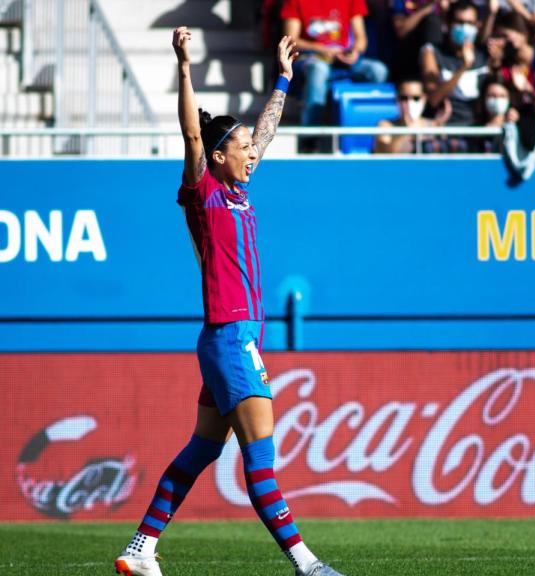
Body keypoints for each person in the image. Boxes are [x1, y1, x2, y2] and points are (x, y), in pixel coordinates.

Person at [114, 28, 343, 576]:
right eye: (241, 150)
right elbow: (192, 136)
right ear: (217, 157)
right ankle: (307, 565)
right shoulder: (205, 191)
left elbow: (264, 131)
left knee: (203, 450)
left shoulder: (237, 189)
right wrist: (185, 63)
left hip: (229, 340)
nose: (252, 154)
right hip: (232, 335)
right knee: (260, 460)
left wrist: (284, 79)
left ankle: (141, 549)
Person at [282, 0, 389, 128]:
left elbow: (361, 39)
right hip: (311, 57)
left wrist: (354, 52)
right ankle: (309, 138)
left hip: (343, 59)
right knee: (319, 70)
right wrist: (322, 49)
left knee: (378, 70)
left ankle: (369, 129)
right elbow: (291, 40)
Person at [421, 0, 491, 126]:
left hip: (477, 129)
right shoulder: (432, 52)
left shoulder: (484, 55)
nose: (465, 28)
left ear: (477, 26)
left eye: (470, 23)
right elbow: (433, 99)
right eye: (459, 22)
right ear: (448, 24)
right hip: (445, 128)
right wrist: (463, 68)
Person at [374, 78, 452, 153]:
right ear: (397, 99)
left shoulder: (434, 126)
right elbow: (386, 157)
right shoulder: (386, 126)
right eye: (404, 98)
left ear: (424, 99)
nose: (409, 103)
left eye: (416, 98)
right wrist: (408, 128)